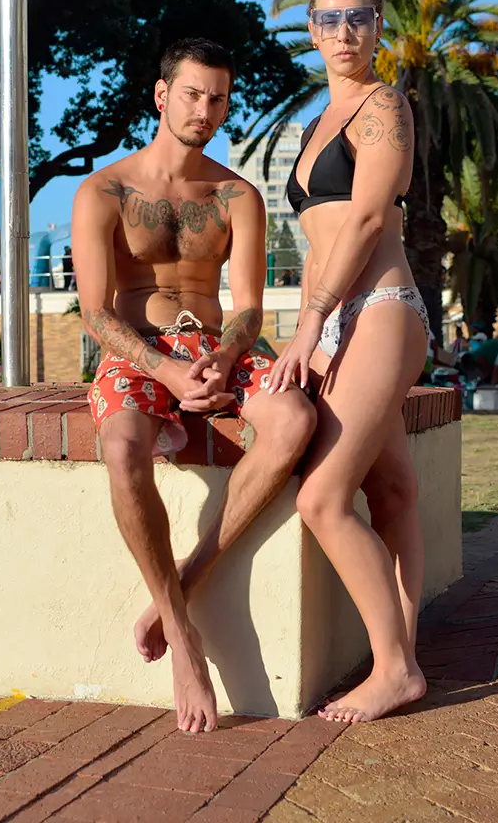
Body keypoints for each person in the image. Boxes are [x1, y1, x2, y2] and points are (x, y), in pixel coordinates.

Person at [72, 38, 317, 734]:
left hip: (218, 350)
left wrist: (224, 354)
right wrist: (167, 370)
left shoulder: (235, 194)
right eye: (192, 94)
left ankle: (188, 577)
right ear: (161, 95)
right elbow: (93, 312)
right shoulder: (104, 191)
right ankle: (184, 638)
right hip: (139, 354)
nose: (205, 110)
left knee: (293, 420)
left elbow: (247, 307)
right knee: (122, 452)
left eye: (218, 99)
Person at [267, 0, 430, 724]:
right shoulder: (316, 120)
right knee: (388, 489)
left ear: (377, 27)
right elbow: (316, 237)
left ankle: (394, 669)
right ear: (310, 31)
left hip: (383, 306)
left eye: (357, 18)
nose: (343, 32)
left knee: (323, 498)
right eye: (328, 20)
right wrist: (315, 330)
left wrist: (308, 325)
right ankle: (403, 647)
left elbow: (365, 220)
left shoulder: (384, 106)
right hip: (339, 321)